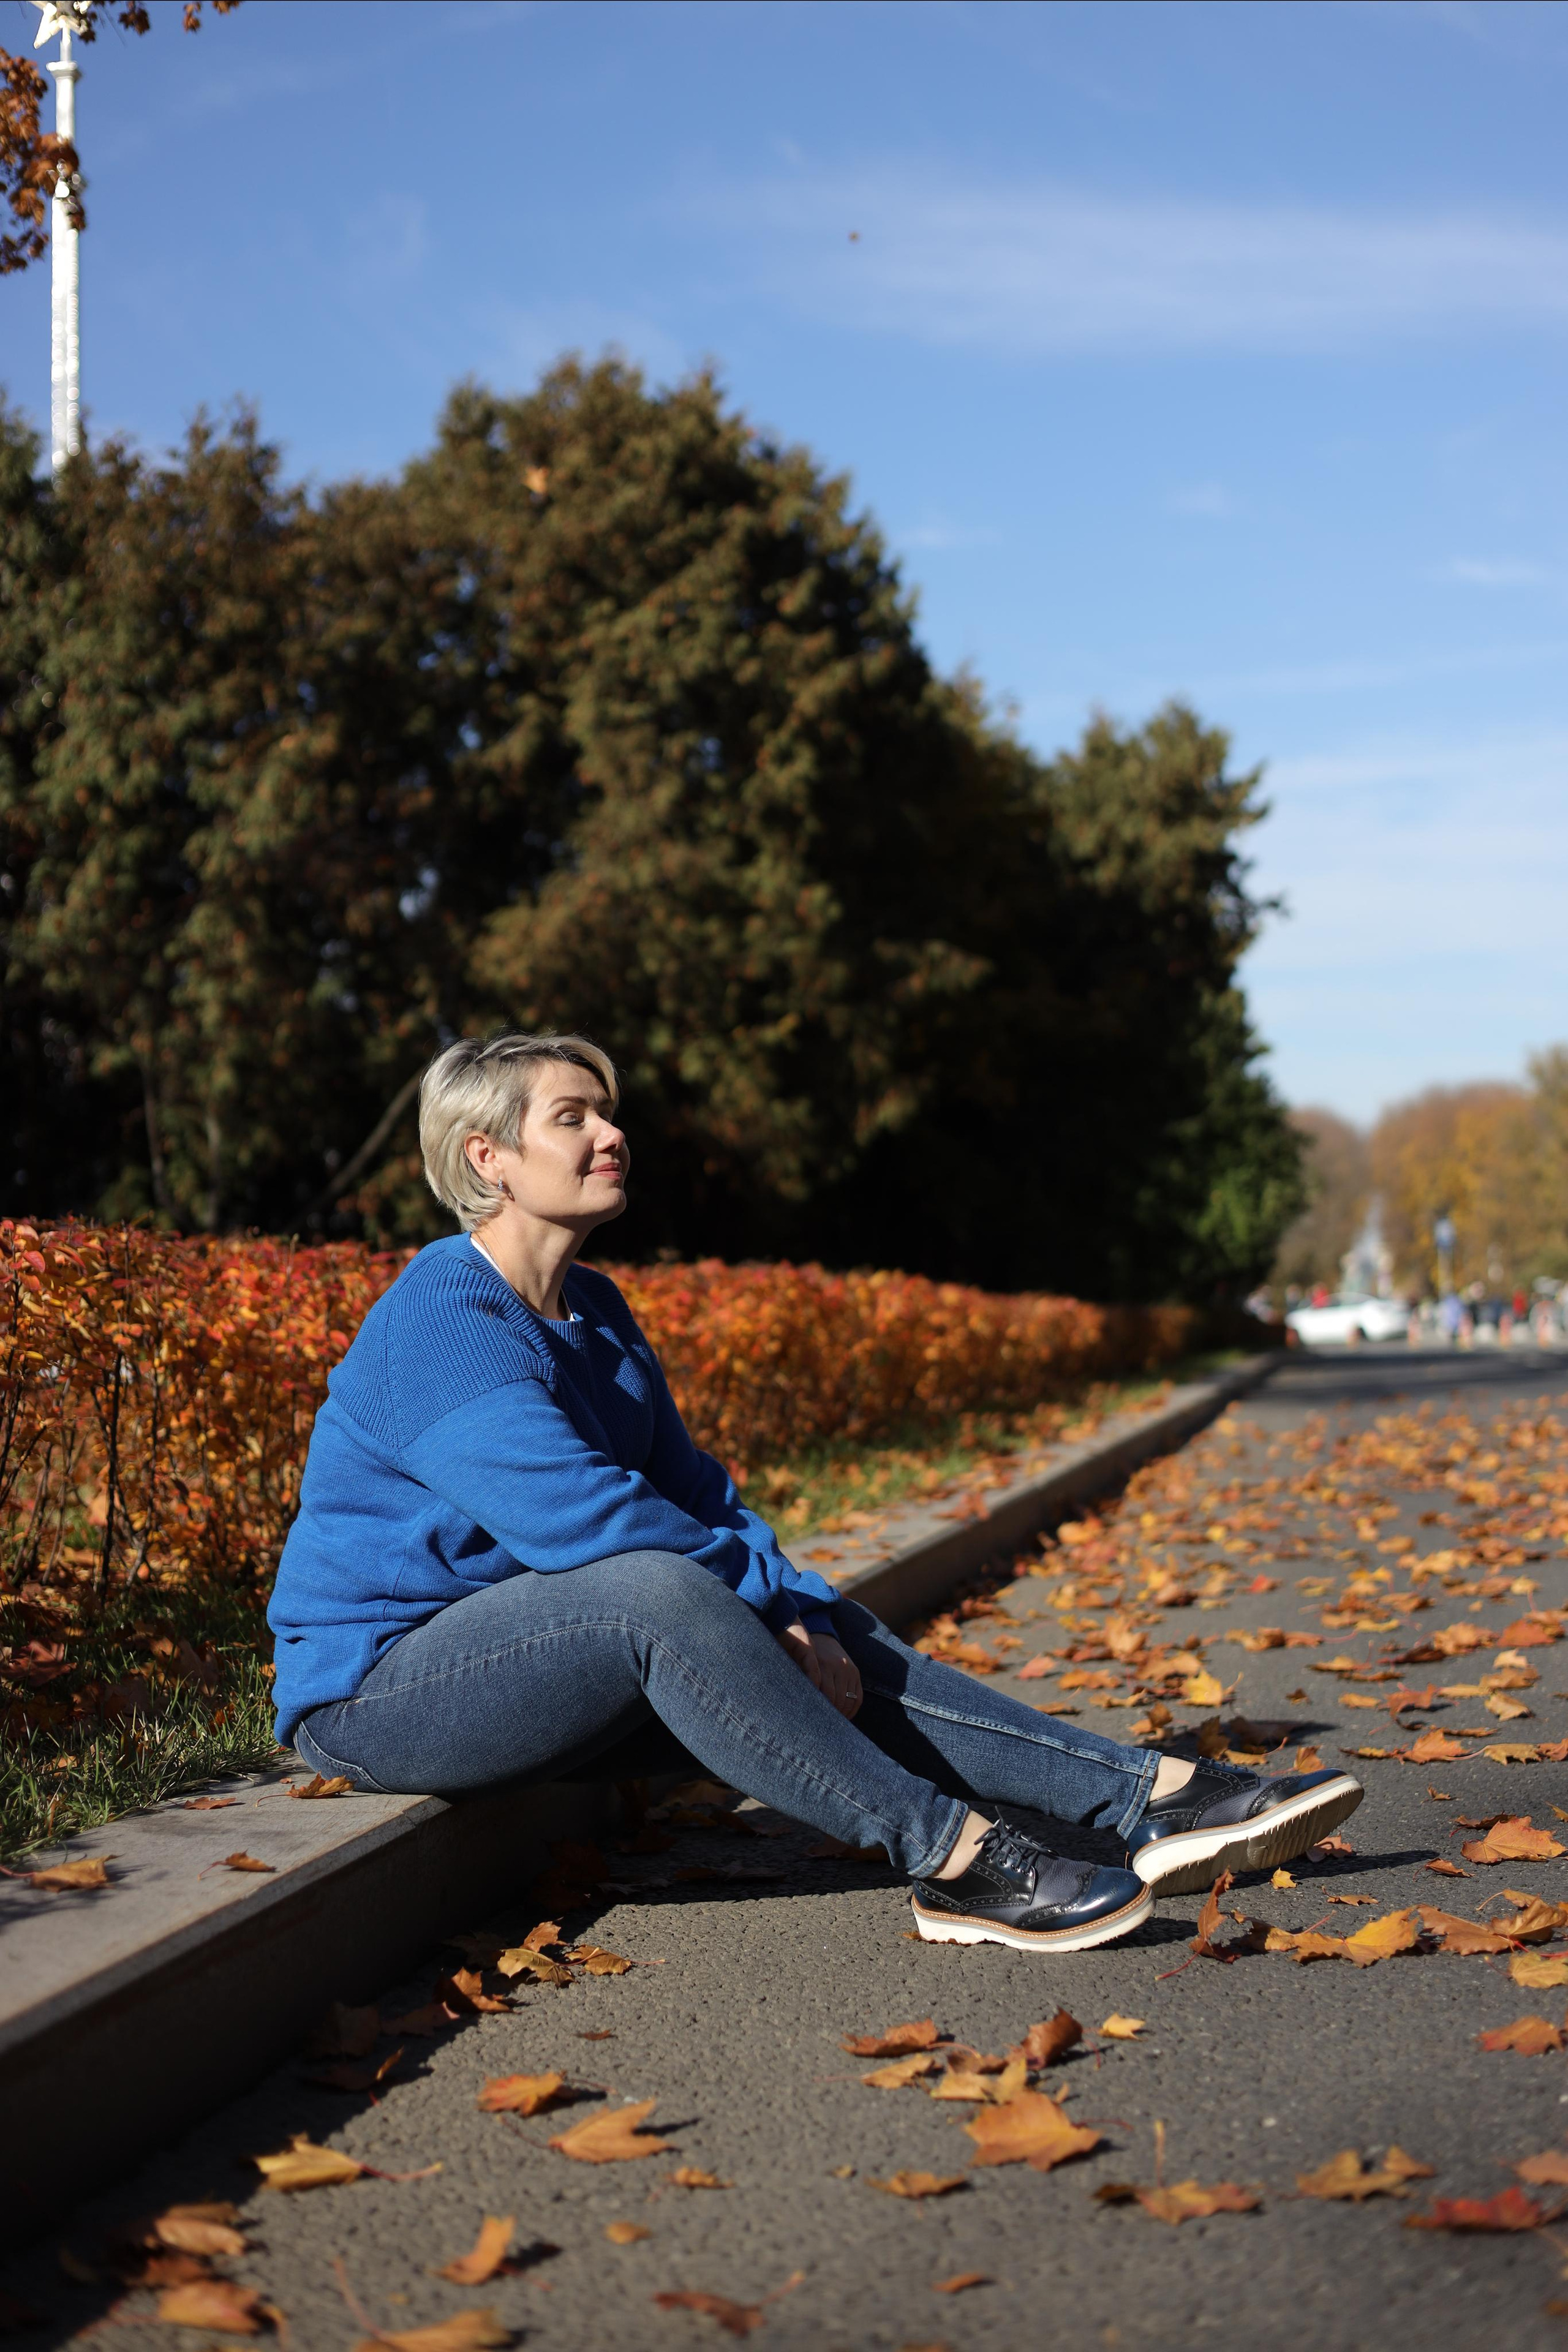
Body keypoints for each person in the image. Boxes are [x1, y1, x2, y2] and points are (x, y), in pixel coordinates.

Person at [268, 1032, 1362, 1954]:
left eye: (608, 1114)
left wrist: (790, 1606)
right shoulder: (443, 1321)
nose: (612, 1136)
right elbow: (585, 1520)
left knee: (807, 1620)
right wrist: (757, 1606)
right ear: (487, 1157)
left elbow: (699, 1493)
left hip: (545, 1659)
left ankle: (1149, 1799)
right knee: (657, 1589)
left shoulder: (592, 1311)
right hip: (381, 1695)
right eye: (573, 1118)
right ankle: (957, 1860)